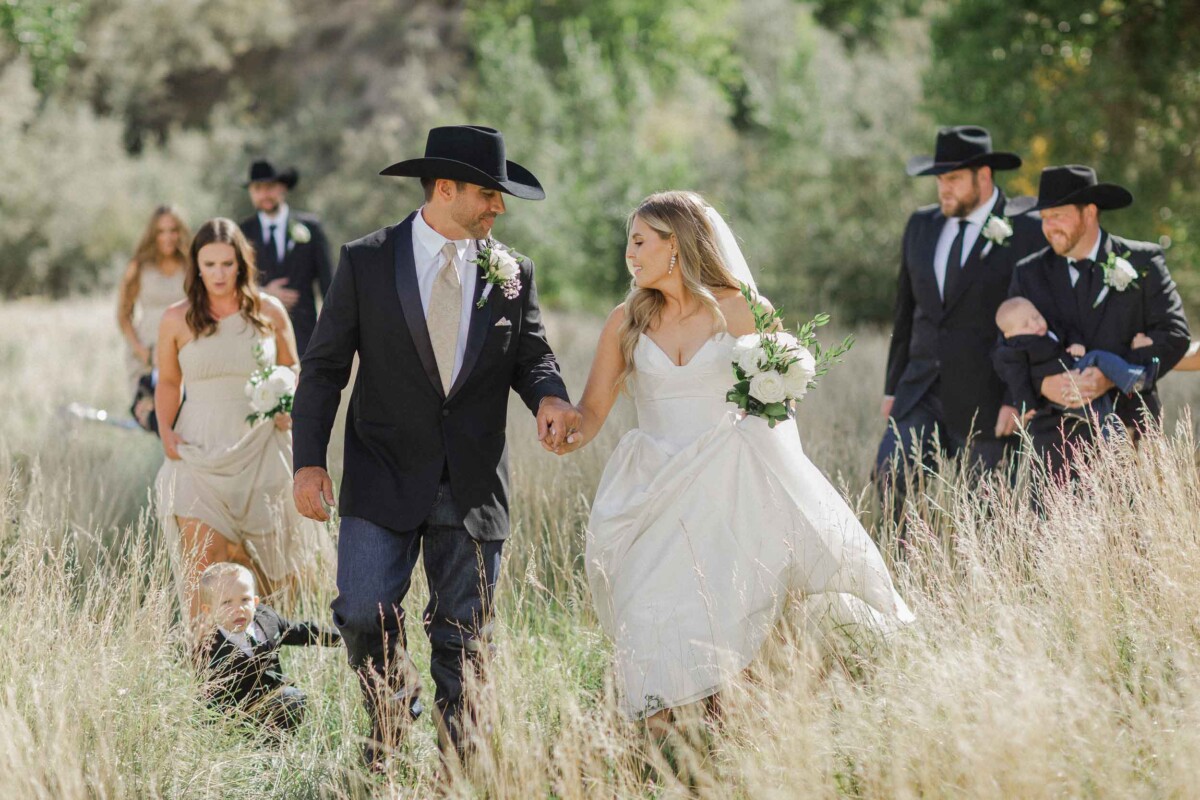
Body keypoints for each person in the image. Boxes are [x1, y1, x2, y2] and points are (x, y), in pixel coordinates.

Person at [551, 191, 912, 724]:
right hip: (650, 488)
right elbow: (592, 412)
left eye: (639, 241)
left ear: (676, 245)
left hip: (726, 487)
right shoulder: (624, 321)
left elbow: (779, 404)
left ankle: (717, 729)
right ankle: (654, 729)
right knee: (648, 608)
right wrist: (562, 426)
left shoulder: (745, 309)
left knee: (718, 610)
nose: (630, 254)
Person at [290, 125, 581, 766]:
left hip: (474, 482)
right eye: (488, 193)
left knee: (466, 638)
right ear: (444, 188)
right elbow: (324, 369)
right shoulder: (366, 261)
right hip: (380, 475)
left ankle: (462, 772)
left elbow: (531, 356)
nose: (498, 208)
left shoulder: (512, 273)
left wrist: (552, 397)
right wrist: (308, 462)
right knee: (363, 613)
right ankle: (392, 706)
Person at [155, 218, 332, 623]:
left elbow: (293, 367)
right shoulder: (175, 318)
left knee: (272, 579)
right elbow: (168, 381)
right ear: (196, 266)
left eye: (227, 264)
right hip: (199, 452)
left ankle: (264, 672)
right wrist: (166, 430)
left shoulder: (268, 311)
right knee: (208, 570)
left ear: (242, 264)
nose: (219, 274)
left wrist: (290, 404)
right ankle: (211, 675)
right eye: (209, 264)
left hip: (263, 450)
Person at [877, 126, 1046, 521]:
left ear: (983, 176)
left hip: (988, 396)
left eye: (952, 179)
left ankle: (980, 583)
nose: (943, 189)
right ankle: (898, 577)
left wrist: (1015, 397)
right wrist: (892, 388)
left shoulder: (1026, 230)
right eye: (939, 180)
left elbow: (1034, 323)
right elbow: (906, 312)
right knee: (888, 479)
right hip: (920, 391)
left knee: (984, 513)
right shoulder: (921, 225)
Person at [1007, 165, 1190, 474]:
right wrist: (1044, 384)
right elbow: (1009, 347)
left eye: (1058, 216)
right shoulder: (1028, 273)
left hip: (1130, 433)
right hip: (1056, 441)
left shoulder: (1142, 261)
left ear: (1089, 212)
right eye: (1044, 219)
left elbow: (1175, 336)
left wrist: (1114, 374)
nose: (1049, 227)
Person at [196, 561, 341, 733]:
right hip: (238, 717)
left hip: (276, 699)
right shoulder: (209, 648)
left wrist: (344, 637)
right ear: (208, 610)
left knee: (291, 697)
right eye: (227, 603)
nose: (239, 609)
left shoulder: (266, 619)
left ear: (255, 601)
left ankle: (280, 746)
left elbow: (301, 631)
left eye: (245, 599)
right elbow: (208, 697)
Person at [992, 296, 1156, 430]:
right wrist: (1026, 405)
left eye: (1036, 317)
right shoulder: (1015, 349)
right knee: (1097, 357)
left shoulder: (1050, 327)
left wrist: (1076, 343)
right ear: (1009, 334)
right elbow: (1017, 378)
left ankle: (1115, 442)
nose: (1035, 324)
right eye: (1026, 325)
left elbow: (1068, 331)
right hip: (1062, 386)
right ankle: (1137, 379)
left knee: (1101, 409)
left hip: (1076, 370)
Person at [239, 160, 334, 358]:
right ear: (251, 192)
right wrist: (263, 293)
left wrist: (330, 332)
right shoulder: (241, 233)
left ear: (282, 188)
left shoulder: (311, 228)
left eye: (270, 187)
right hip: (257, 334)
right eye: (258, 188)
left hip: (304, 335)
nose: (264, 194)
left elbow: (329, 284)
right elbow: (234, 284)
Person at [117, 205, 189, 431]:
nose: (168, 237)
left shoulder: (191, 264)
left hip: (183, 353)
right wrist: (141, 350)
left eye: (173, 230)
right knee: (155, 418)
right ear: (153, 234)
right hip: (146, 356)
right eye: (161, 231)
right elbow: (123, 314)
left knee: (185, 418)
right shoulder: (138, 266)